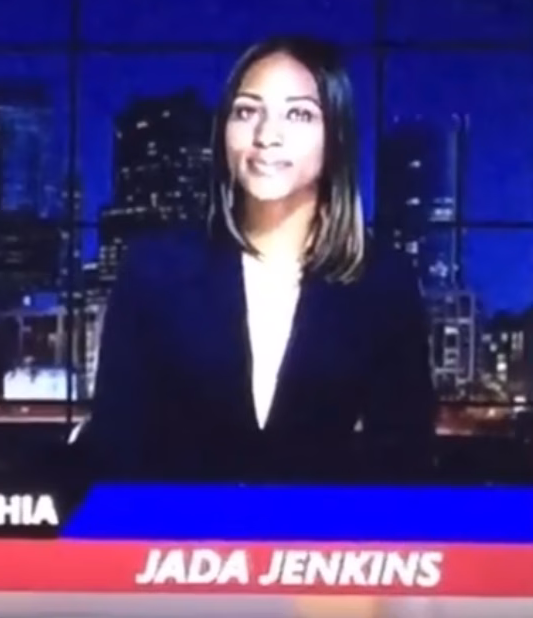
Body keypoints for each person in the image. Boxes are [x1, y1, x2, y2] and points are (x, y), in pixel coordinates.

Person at [78, 36, 435, 482]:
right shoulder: (154, 270)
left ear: (337, 137)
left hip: (320, 527)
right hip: (177, 526)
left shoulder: (382, 283)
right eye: (247, 111)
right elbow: (115, 450)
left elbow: (404, 462)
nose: (266, 136)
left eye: (299, 114)